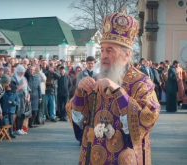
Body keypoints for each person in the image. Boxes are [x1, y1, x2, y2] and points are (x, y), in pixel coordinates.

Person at [66, 12, 160, 164]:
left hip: (125, 157)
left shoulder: (142, 82)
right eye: (102, 50)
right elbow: (79, 120)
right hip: (92, 155)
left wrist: (118, 91)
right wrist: (79, 94)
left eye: (110, 50)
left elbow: (148, 117)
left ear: (126, 55)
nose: (103, 55)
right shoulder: (97, 79)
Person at [11, 65, 30, 135]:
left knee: (22, 113)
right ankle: (17, 128)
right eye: (20, 73)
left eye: (23, 73)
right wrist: (22, 84)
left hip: (23, 97)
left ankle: (21, 128)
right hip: (17, 97)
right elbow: (15, 89)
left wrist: (28, 96)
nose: (22, 74)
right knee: (18, 113)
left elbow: (27, 88)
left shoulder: (24, 78)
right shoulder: (14, 78)